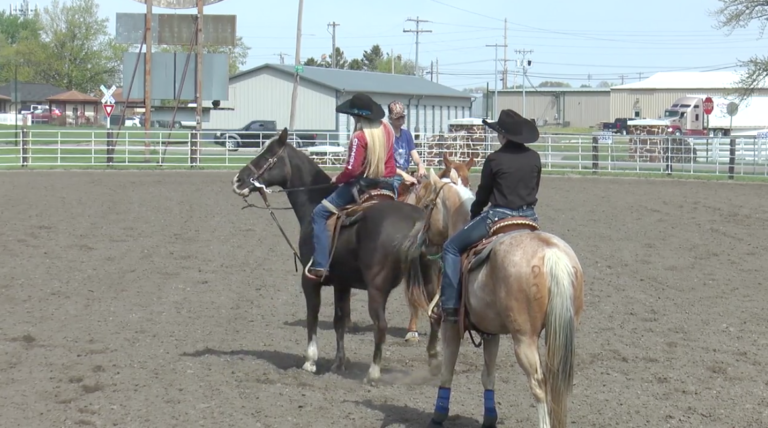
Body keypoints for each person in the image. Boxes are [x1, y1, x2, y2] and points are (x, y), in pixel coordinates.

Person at [433, 109, 542, 323]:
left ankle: (450, 306)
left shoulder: (494, 159)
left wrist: (474, 213)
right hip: (529, 217)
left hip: (499, 216)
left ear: (502, 135)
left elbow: (482, 195)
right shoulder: (535, 157)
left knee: (451, 248)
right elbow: (534, 188)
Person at [305, 93, 397, 281]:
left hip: (363, 185)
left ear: (357, 116)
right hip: (389, 185)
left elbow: (353, 169)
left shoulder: (359, 137)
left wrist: (338, 179)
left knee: (319, 213)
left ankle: (321, 264)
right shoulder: (387, 130)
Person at [387, 101, 425, 191]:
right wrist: (404, 175)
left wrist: (420, 164)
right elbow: (386, 164)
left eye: (402, 117)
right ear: (390, 119)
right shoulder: (386, 135)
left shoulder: (407, 134)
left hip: (406, 173)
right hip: (392, 177)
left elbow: (414, 154)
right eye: (397, 118)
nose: (400, 120)